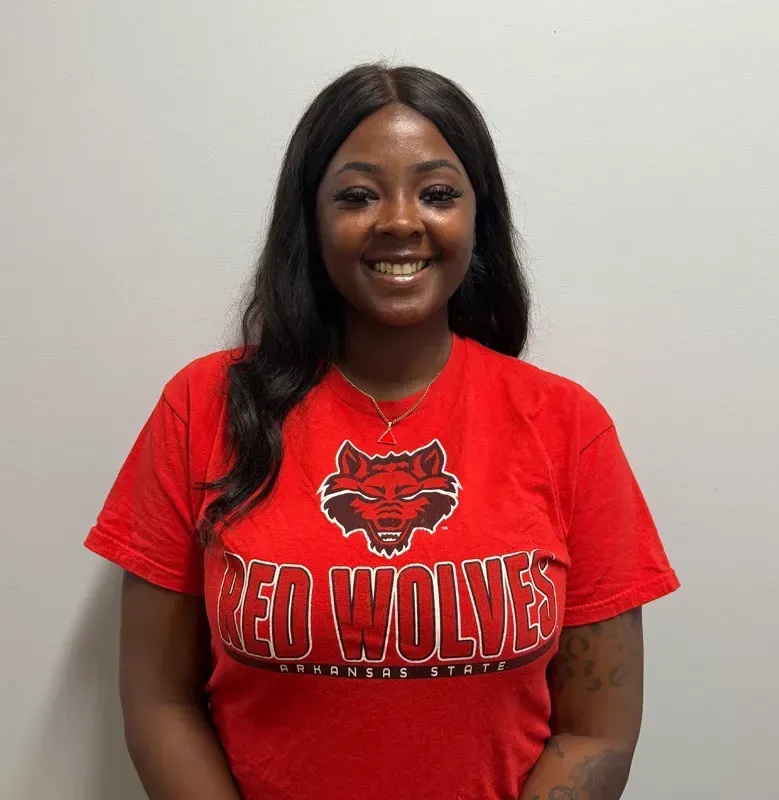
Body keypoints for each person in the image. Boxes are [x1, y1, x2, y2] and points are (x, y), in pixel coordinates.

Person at [86, 63, 679, 800]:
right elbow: (159, 701)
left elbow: (597, 730)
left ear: (477, 218)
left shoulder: (566, 426)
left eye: (437, 193)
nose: (401, 221)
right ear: (309, 218)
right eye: (358, 195)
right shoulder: (204, 406)